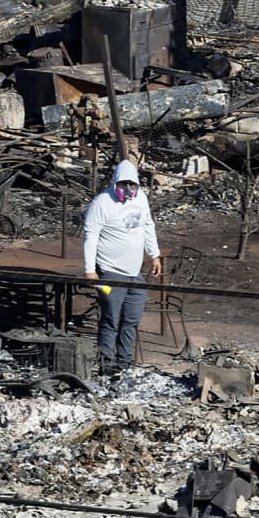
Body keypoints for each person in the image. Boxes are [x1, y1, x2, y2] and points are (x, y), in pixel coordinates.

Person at [81, 159, 162, 375]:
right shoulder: (102, 203)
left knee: (131, 320)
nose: (127, 190)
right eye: (123, 184)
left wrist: (154, 255)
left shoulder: (141, 199)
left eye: (132, 185)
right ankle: (107, 366)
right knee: (110, 319)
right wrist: (90, 270)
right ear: (115, 182)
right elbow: (91, 236)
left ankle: (124, 365)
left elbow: (147, 225)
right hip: (110, 273)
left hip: (135, 274)